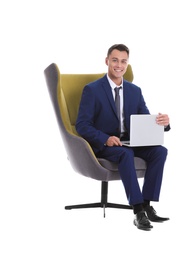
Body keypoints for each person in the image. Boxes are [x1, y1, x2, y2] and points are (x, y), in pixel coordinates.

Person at [76, 44, 171, 230]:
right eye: (115, 60)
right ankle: (137, 211)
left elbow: (144, 120)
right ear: (107, 61)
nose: (119, 65)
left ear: (127, 64)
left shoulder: (135, 90)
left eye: (123, 61)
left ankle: (146, 204)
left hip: (130, 141)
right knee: (125, 154)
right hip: (106, 145)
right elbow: (82, 125)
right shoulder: (92, 90)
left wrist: (163, 123)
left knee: (160, 151)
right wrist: (105, 138)